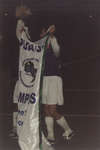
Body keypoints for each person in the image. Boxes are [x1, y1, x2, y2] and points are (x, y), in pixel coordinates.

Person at [41, 28, 74, 145]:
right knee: (46, 109)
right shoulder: (40, 48)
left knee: (52, 110)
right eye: (41, 32)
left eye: (44, 32)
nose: (42, 34)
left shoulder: (53, 44)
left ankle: (68, 130)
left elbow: (57, 51)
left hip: (54, 79)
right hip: (44, 80)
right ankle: (51, 136)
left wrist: (51, 35)